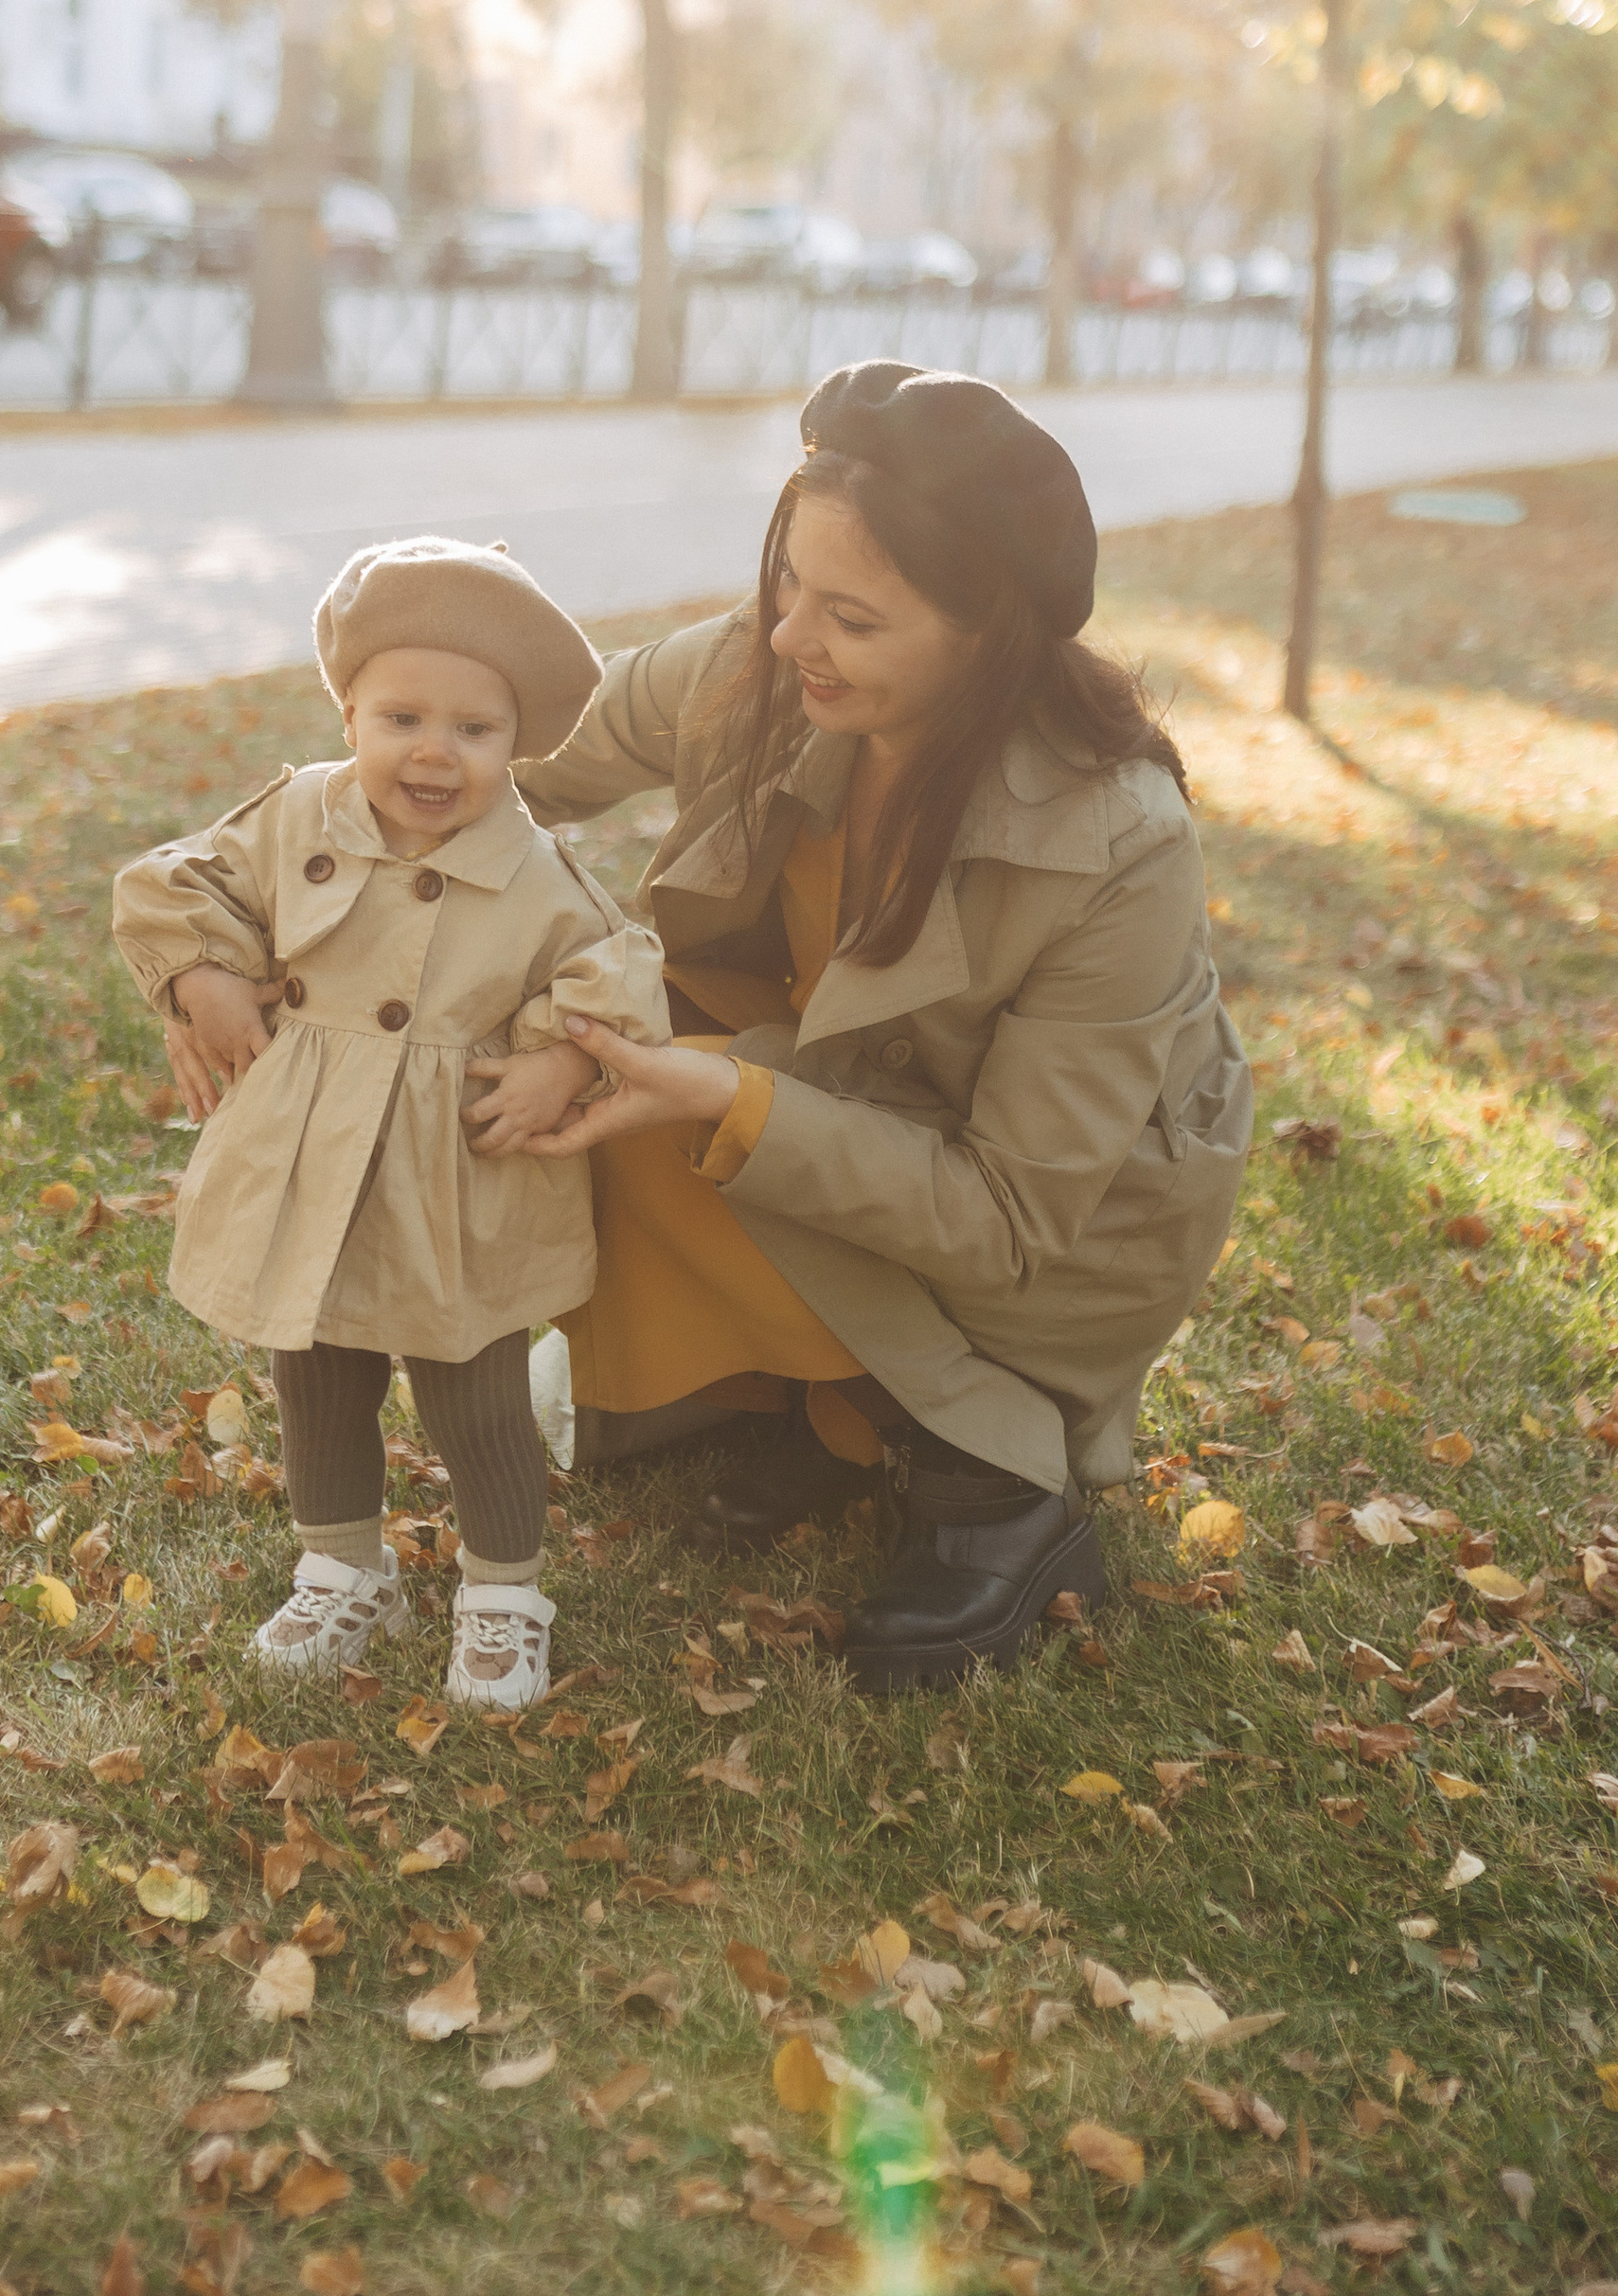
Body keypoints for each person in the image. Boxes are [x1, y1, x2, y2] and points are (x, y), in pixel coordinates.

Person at [509, 362, 1254, 1691]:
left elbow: (1010, 1216)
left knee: (682, 1080)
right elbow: (493, 759)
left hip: (1054, 1246)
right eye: (786, 583)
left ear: (987, 637)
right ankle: (809, 1395)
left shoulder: (1119, 840)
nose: (792, 637)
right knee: (572, 1028)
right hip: (848, 1090)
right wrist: (243, 918)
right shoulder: (762, 673)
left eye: (851, 615)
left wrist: (719, 1097)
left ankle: (996, 1477)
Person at [114, 536, 668, 1713]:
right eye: (401, 717)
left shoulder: (536, 873)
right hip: (309, 1156)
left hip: (455, 1173)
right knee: (314, 1372)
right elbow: (179, 878)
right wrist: (201, 977)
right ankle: (342, 1568)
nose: (433, 751)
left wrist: (561, 1061)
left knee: (475, 1392)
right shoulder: (298, 813)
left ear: (514, 745)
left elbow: (615, 974)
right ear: (349, 711)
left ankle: (505, 1593)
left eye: (474, 730)